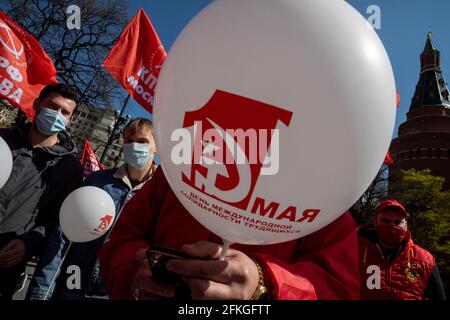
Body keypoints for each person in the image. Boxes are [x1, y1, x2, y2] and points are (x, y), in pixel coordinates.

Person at [98, 166, 360, 300]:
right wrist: (134, 277)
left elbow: (337, 289)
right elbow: (121, 243)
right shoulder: (177, 169)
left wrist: (264, 285)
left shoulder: (326, 203)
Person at [26, 118, 157, 300]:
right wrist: (41, 291)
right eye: (129, 141)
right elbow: (62, 235)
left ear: (156, 145)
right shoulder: (97, 181)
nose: (135, 146)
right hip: (72, 285)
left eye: (142, 141)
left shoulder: (159, 195)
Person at [0, 83, 83, 300]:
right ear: (37, 104)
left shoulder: (70, 169)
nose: (57, 114)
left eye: (65, 112)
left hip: (5, 264)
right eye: (52, 106)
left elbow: (57, 221)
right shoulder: (3, 140)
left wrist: (29, 242)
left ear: (70, 119)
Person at [358, 199, 446, 300]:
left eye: (398, 222)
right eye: (385, 221)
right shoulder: (355, 251)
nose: (392, 226)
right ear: (375, 223)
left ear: (406, 225)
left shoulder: (426, 260)